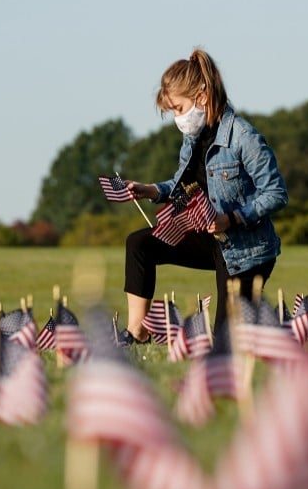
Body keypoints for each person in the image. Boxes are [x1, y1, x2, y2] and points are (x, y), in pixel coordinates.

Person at [118, 47, 288, 344]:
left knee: (226, 342)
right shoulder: (193, 137)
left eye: (178, 109)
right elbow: (183, 184)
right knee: (139, 244)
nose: (177, 118)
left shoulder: (244, 137)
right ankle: (136, 333)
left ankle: (301, 331)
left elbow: (276, 193)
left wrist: (232, 218)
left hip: (245, 251)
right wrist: (152, 190)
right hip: (208, 238)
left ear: (202, 97)